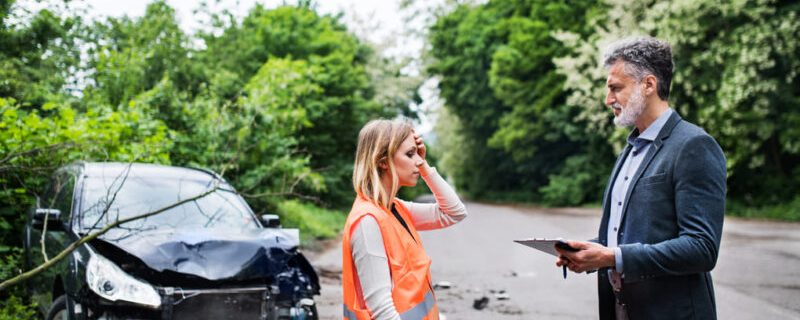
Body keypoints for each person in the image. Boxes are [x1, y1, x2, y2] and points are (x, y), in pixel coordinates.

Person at [555, 37, 727, 320]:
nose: (608, 99)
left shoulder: (694, 146)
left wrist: (612, 257)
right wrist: (587, 252)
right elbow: (631, 234)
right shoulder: (631, 149)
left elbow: (701, 248)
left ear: (648, 85)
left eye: (615, 88)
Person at [341, 119, 467, 320]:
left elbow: (454, 212)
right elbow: (382, 311)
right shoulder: (368, 221)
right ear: (383, 161)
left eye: (418, 154)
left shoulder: (394, 208)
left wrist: (425, 167)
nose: (418, 161)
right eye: (410, 154)